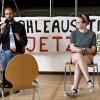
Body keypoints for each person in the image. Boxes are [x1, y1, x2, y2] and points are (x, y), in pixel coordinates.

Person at [65, 14, 97, 97]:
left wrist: (84, 50)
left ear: (85, 24)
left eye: (78, 22)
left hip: (88, 57)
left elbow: (93, 50)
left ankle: (74, 90)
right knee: (79, 56)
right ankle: (89, 81)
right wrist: (80, 50)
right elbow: (72, 48)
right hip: (75, 56)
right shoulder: (74, 33)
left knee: (79, 63)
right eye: (76, 22)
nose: (76, 23)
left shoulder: (92, 34)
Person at [0, 6, 27, 96]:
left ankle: (6, 86)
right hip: (5, 52)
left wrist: (19, 38)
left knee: (7, 57)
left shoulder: (20, 26)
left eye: (10, 13)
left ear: (14, 14)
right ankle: (13, 84)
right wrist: (1, 31)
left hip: (17, 52)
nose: (8, 15)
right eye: (6, 14)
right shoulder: (2, 26)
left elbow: (25, 43)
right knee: (7, 53)